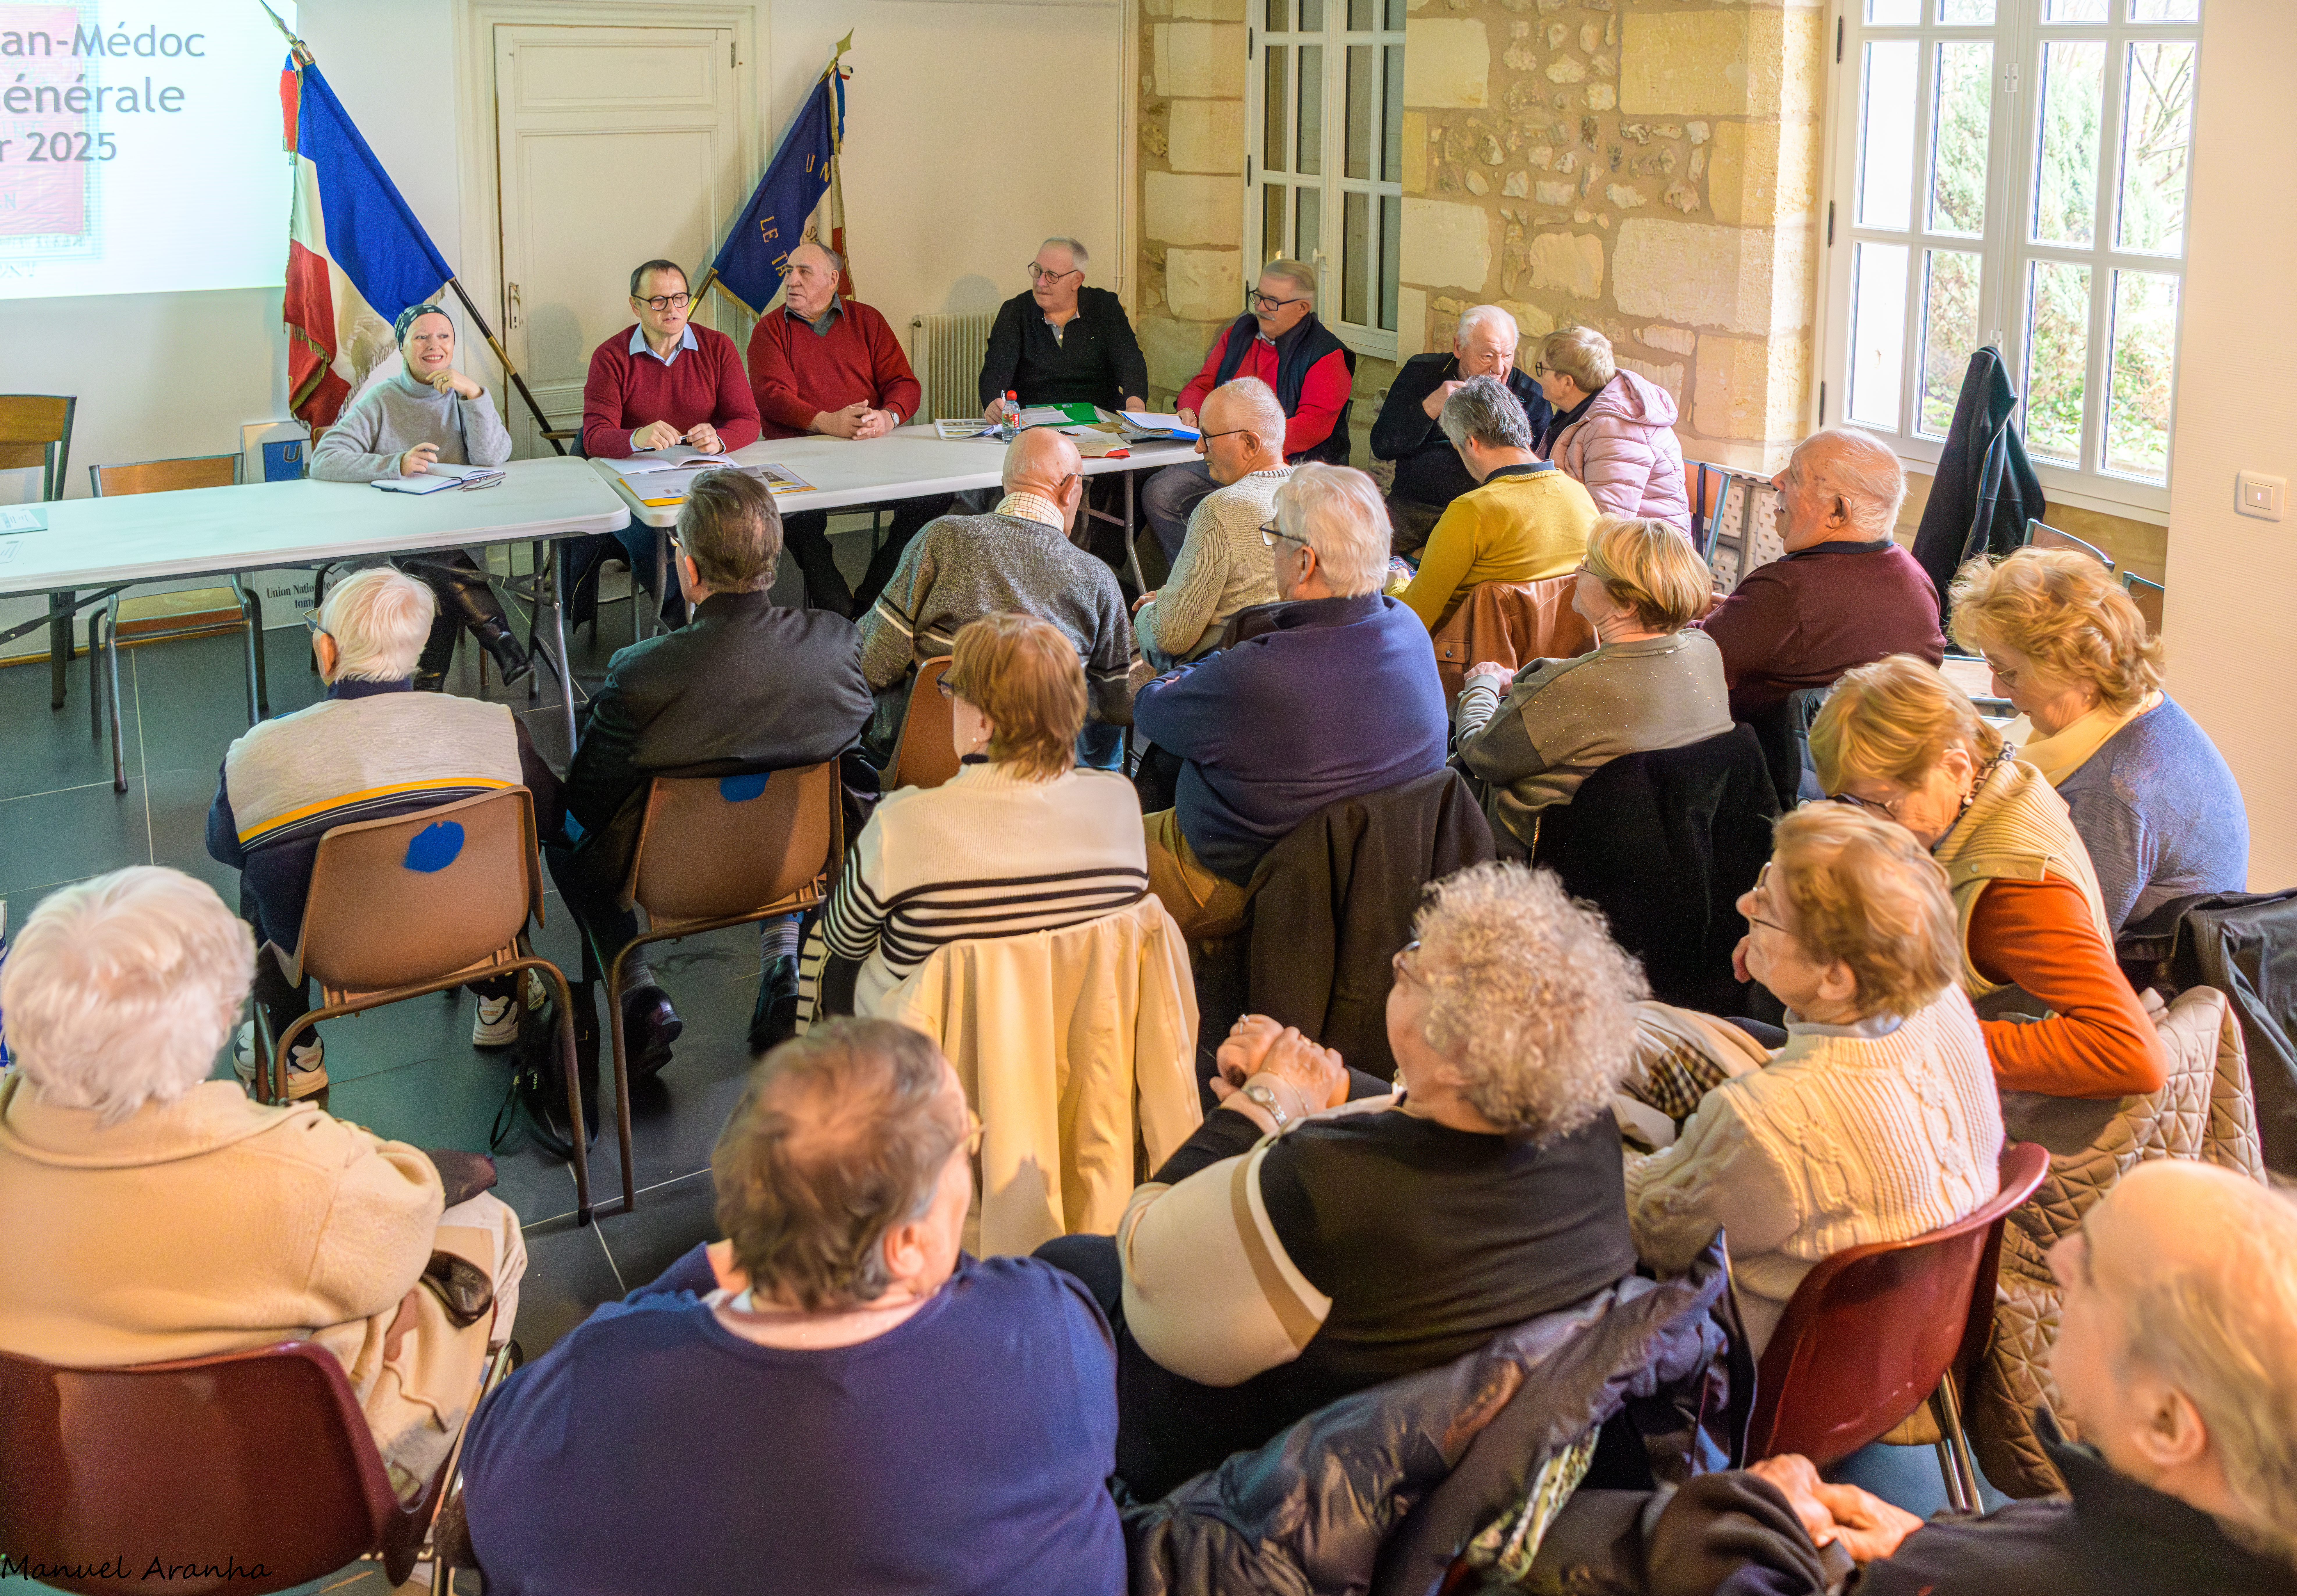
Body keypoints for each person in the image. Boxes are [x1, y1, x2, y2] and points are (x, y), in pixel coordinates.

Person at [1036, 863, 1645, 1499]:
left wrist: (1262, 1105)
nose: (1395, 964)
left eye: (1412, 967)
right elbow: (1428, 1113)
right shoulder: (1586, 1127)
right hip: (1453, 1444)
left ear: (1458, 1054)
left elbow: (1146, 1257)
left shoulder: (1331, 1189)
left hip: (1274, 1473)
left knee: (1069, 1266)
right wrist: (1329, 1086)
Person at [458, 1020, 1125, 1596]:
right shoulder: (1046, 1331)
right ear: (908, 1243)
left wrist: (706, 1267)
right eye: (965, 1144)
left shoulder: (597, 1377)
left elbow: (492, 1512)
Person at [1527, 1161, 2297, 1596]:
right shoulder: (2192, 1534)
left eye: (2095, 1269)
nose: (2059, 1263)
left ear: (2167, 1422)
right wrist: (1931, 1540)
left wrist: (1741, 1521)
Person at [0, 867, 524, 1501]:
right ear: (216, 1021)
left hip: (59, 1491)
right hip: (287, 1487)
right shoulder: (301, 1168)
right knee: (488, 1224)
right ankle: (445, 1496)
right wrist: (383, 1303)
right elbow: (407, 1214)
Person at [1624, 805, 2006, 1355]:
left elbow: (1652, 1229)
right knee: (1644, 1030)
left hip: (1762, 1367)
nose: (1742, 906)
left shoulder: (1769, 1117)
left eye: (1768, 909)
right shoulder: (1940, 999)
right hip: (1914, 1342)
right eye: (1763, 881)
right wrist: (1784, 964)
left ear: (1835, 976)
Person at [552, 470, 870, 1072]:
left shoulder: (641, 673)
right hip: (794, 858)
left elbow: (588, 803)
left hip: (669, 880)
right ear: (773, 560)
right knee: (791, 775)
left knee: (565, 839)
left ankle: (638, 989)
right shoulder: (836, 643)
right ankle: (783, 962)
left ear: (689, 571)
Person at [204, 568, 558, 1096]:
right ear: (418, 651)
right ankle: (501, 995)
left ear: (327, 652)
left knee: (259, 883)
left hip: (338, 956)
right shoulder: (496, 728)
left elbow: (223, 846)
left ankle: (294, 1051)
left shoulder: (259, 754)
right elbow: (551, 820)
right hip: (478, 931)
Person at [1808, 654, 2170, 1098]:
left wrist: (1914, 1041)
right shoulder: (2001, 777)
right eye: (1848, 801)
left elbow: (2130, 1054)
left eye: (1881, 804)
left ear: (1956, 768)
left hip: (1973, 1108)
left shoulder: (2015, 889)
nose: (1868, 825)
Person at [1131, 464, 1448, 938]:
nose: (1272, 550)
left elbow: (1153, 709)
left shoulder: (1262, 672)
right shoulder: (1409, 627)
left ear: (1303, 563)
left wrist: (1165, 673)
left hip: (1244, 878)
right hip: (1372, 881)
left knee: (1075, 861)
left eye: (1272, 537)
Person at [809, 614, 1148, 1021]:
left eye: (953, 690)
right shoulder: (1121, 804)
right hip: (1065, 1050)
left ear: (984, 721)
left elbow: (844, 940)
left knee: (823, 946)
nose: (949, 701)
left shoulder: (901, 825)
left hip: (920, 1063)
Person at [1947, 548, 2248, 932]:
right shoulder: (2135, 706)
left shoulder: (2111, 793)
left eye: (2008, 672)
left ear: (2077, 673)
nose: (1996, 688)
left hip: (2146, 977)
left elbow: (2063, 943)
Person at [1456, 514, 1733, 855]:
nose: (1575, 572)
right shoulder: (1705, 650)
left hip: (1545, 850)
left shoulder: (1565, 687)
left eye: (1587, 565)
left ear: (1626, 602)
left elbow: (1479, 755)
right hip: (1663, 845)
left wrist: (1481, 684)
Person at [856, 428, 1136, 766]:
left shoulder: (940, 539)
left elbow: (872, 663)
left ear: (1007, 484)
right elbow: (1125, 702)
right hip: (1042, 777)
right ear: (1068, 489)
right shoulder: (1097, 579)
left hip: (928, 766)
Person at [308, 302, 531, 688]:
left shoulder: (465, 394)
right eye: (422, 337)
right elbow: (324, 459)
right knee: (428, 563)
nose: (435, 345)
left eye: (444, 336)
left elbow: (493, 458)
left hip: (456, 535)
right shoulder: (381, 398)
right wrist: (395, 463)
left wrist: (474, 394)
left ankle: (428, 686)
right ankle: (498, 641)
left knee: (430, 566)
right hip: (389, 539)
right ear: (403, 347)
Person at [747, 239, 949, 620]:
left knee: (935, 496)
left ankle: (872, 600)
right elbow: (771, 396)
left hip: (870, 450)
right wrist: (826, 421)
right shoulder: (770, 330)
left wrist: (886, 417)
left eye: (804, 272)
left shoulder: (867, 320)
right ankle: (840, 613)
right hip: (800, 454)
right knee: (800, 517)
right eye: (789, 271)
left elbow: (904, 383)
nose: (792, 280)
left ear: (833, 280)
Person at [1697, 427, 1947, 720]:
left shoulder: (1786, 591)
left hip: (1768, 758)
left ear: (1838, 511)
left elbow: (1685, 664)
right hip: (1869, 758)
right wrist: (1743, 612)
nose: (1777, 480)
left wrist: (1681, 613)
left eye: (1795, 475)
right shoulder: (1915, 576)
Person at [577, 258, 763, 624]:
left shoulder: (718, 348)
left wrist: (719, 439)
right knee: (652, 540)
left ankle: (741, 625)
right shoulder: (611, 357)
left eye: (680, 299)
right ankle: (687, 630)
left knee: (744, 527)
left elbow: (748, 420)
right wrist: (636, 437)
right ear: (636, 306)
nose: (673, 309)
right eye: (659, 301)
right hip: (632, 485)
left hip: (700, 476)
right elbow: (595, 437)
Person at [1145, 260, 1355, 562]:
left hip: (1288, 468)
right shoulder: (1239, 333)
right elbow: (1203, 383)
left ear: (1302, 308)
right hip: (1227, 456)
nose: (1261, 308)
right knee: (1159, 490)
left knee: (1189, 499)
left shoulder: (1326, 354)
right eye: (1258, 296)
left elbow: (1313, 427)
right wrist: (1190, 408)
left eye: (1273, 301)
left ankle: (1222, 581)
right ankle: (1190, 580)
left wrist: (1244, 448)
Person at [1398, 374, 1599, 631]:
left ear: (1471, 442)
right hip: (1556, 660)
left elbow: (1412, 624)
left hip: (1473, 663)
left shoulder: (1471, 511)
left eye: (1456, 447)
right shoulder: (1580, 494)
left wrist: (1397, 584)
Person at [1129, 377, 1290, 668]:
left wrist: (1148, 614)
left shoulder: (1220, 511)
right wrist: (1171, 598)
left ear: (1250, 443)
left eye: (1208, 437)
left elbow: (1171, 637)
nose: (1199, 448)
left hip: (1225, 684)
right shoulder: (1320, 495)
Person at [1371, 304, 1552, 556]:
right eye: (1487, 356)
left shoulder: (1530, 397)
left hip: (1484, 517)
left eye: (1508, 356)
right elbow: (1383, 446)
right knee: (1371, 574)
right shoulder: (1421, 373)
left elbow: (1534, 478)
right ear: (1459, 348)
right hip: (1414, 508)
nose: (1499, 369)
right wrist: (1431, 407)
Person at [1531, 324, 1691, 536]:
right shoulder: (1590, 411)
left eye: (1541, 369)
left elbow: (1608, 525)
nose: (1537, 376)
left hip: (1645, 557)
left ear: (1567, 383)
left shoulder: (1615, 431)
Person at [978, 236, 1149, 420]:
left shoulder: (1104, 306)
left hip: (1101, 422)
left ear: (1077, 280)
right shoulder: (1015, 311)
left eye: (1052, 276)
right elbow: (996, 371)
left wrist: (1136, 407)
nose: (1040, 282)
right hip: (1035, 428)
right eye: (1037, 271)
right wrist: (994, 404)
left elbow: (1131, 362)